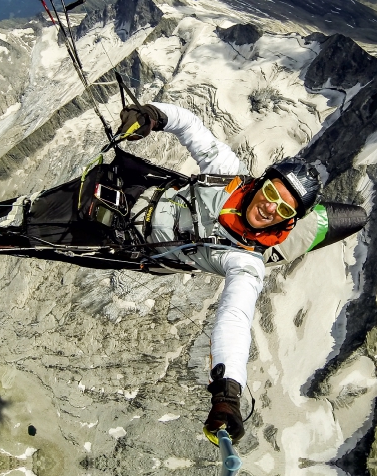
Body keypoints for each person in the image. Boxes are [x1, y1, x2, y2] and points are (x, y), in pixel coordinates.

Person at [116, 102, 323, 444]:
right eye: (271, 193)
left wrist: (227, 396)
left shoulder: (247, 263)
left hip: (131, 245)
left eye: (283, 208)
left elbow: (235, 317)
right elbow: (192, 128)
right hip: (136, 189)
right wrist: (154, 115)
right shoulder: (228, 175)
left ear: (289, 220)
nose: (270, 207)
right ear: (261, 183)